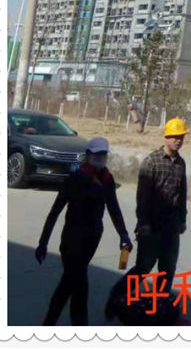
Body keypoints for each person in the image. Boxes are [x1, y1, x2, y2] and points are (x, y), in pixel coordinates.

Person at [36, 136, 132, 326]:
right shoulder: (75, 178)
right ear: (88, 155)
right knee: (78, 286)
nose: (100, 157)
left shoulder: (107, 179)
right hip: (72, 239)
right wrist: (43, 242)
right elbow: (55, 212)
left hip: (91, 240)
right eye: (97, 154)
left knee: (69, 284)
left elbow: (114, 208)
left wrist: (123, 234)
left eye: (103, 154)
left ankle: (51, 324)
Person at [105, 118, 188, 318]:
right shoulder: (151, 162)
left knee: (167, 270)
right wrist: (143, 224)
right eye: (174, 136)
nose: (178, 140)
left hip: (171, 225)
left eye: (181, 137)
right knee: (143, 268)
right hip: (152, 224)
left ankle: (158, 308)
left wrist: (182, 219)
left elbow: (182, 193)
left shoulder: (181, 163)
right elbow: (142, 197)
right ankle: (116, 297)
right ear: (166, 137)